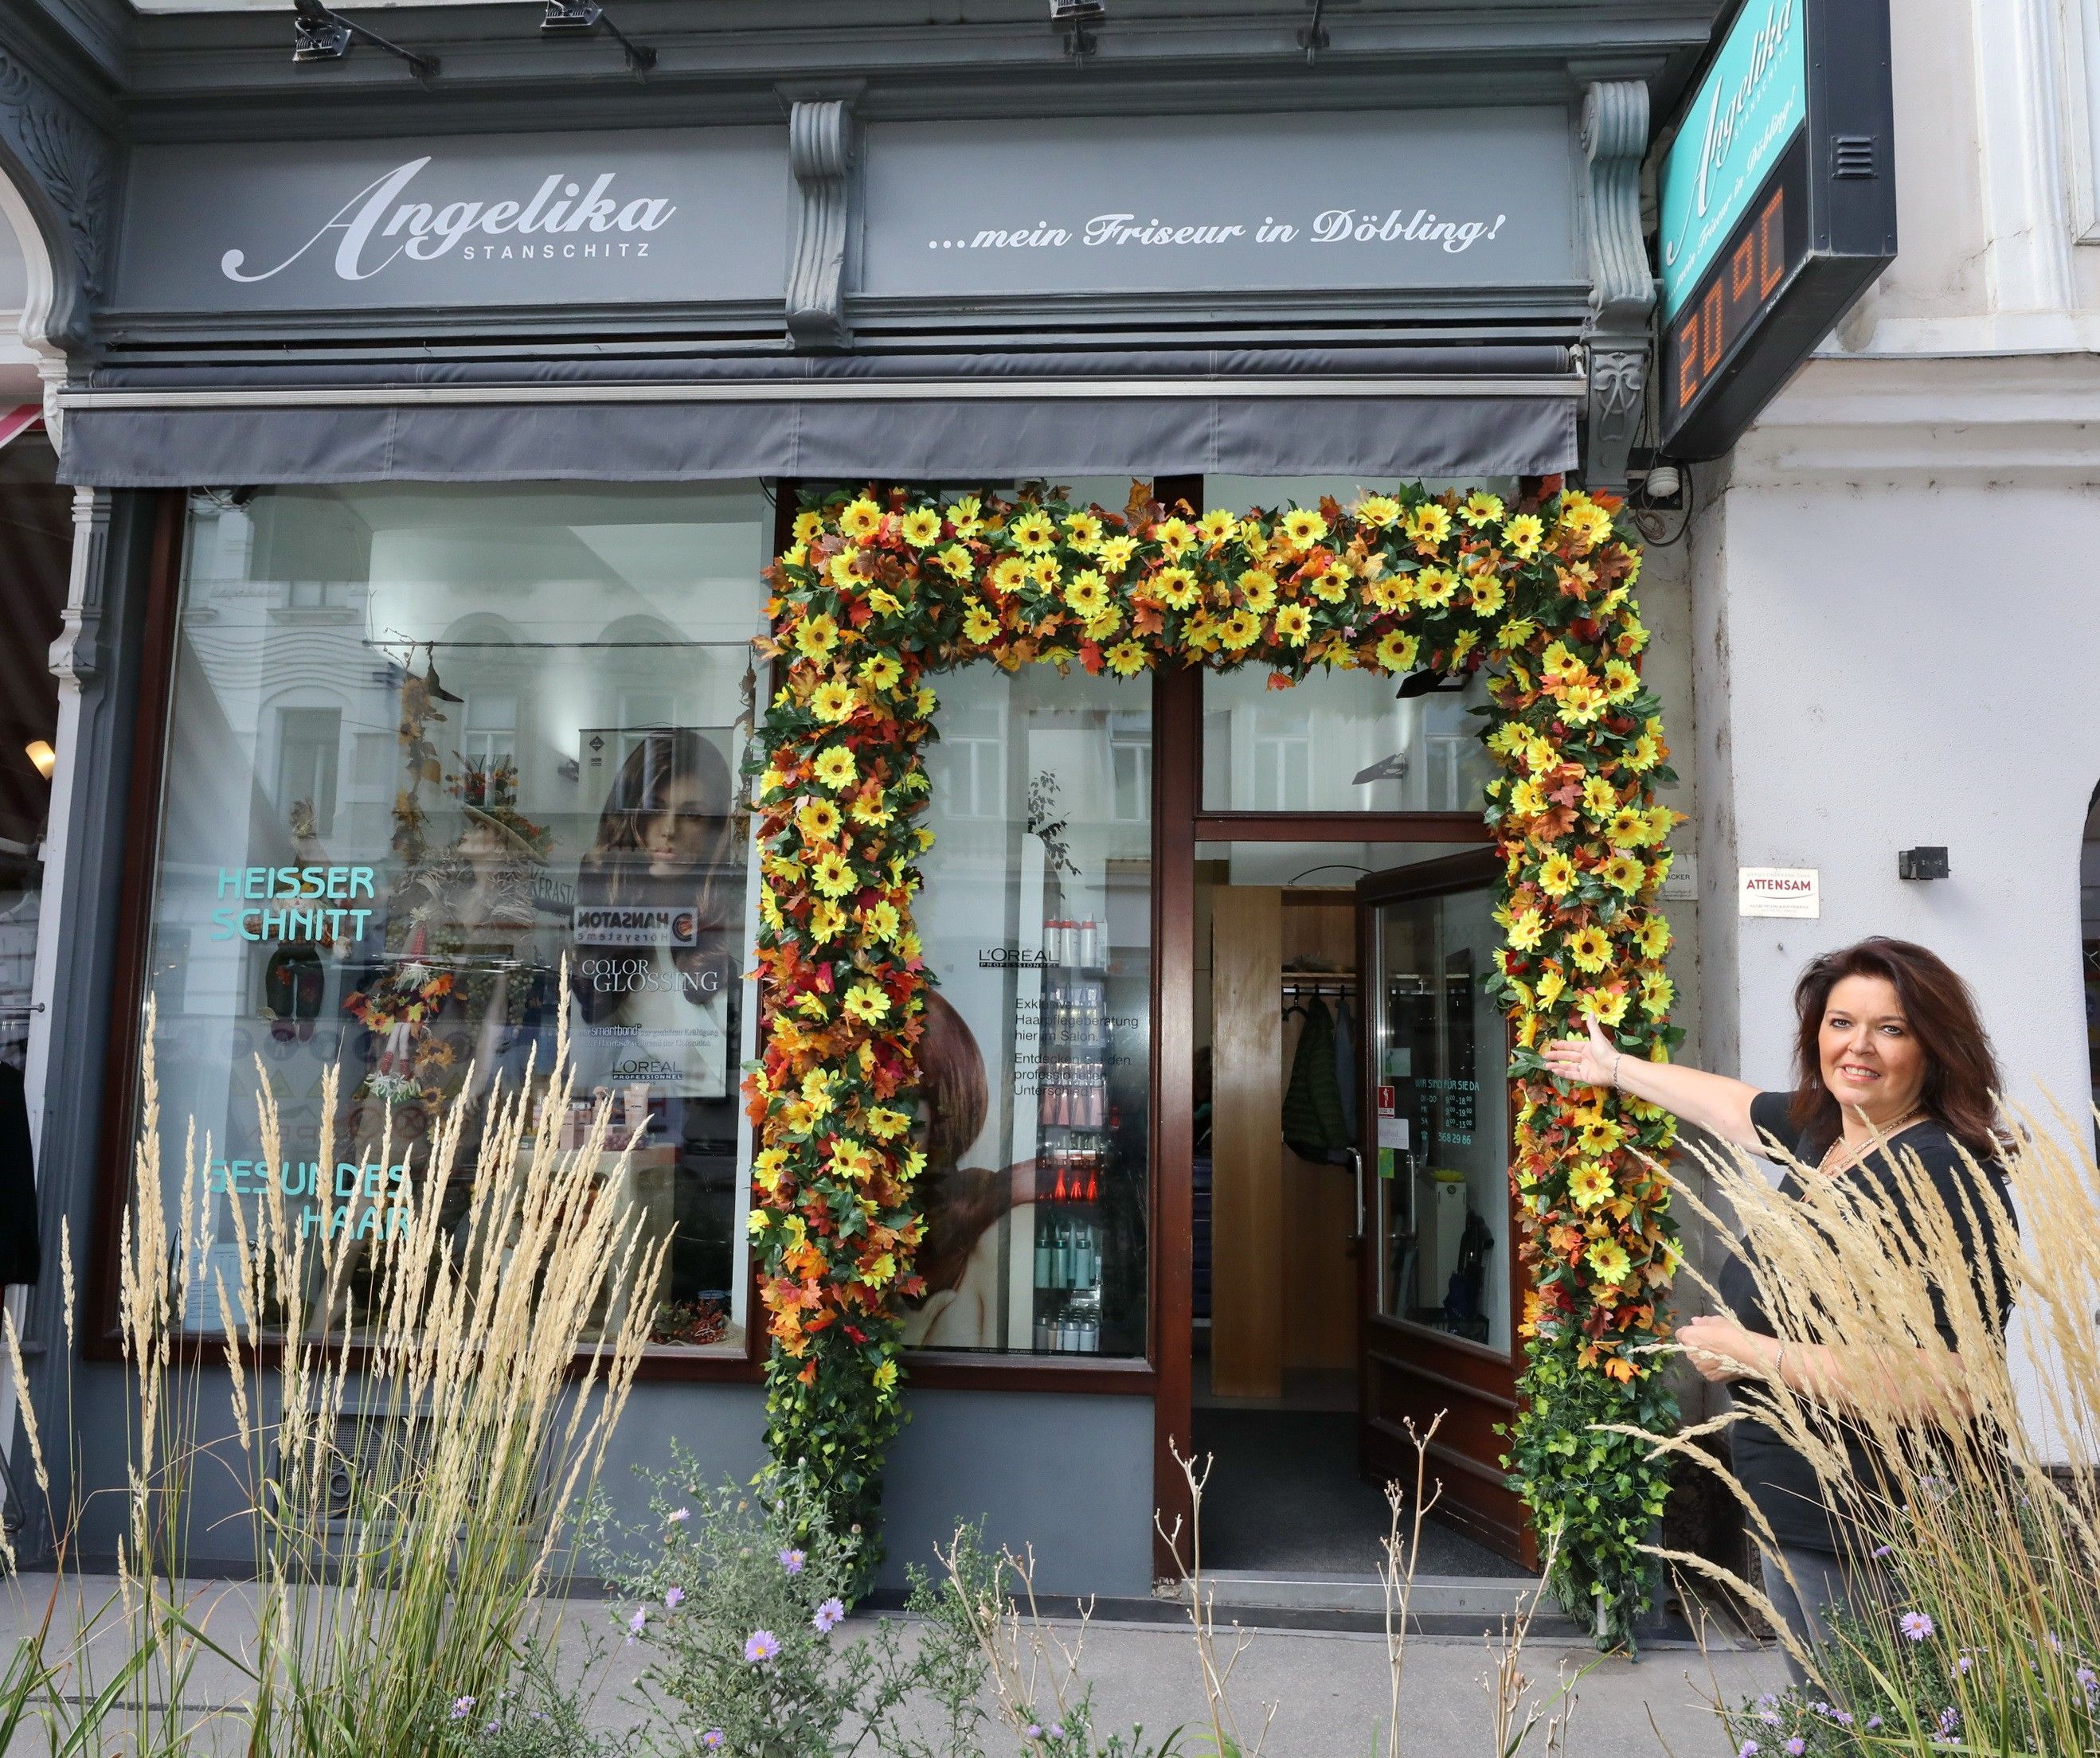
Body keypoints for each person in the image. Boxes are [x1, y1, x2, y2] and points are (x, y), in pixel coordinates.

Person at [1542, 936, 2014, 1678]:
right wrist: (1615, 1070)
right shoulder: (1830, 1134)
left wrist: (1753, 1354)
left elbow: (1951, 1383)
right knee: (1828, 1719)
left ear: (1934, 1046)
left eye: (1889, 1028)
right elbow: (1730, 1107)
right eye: (1839, 1023)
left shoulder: (1940, 1172)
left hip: (1868, 1523)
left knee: (1864, 1722)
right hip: (1796, 1505)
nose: (1857, 1047)